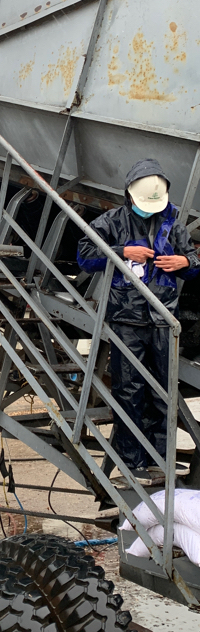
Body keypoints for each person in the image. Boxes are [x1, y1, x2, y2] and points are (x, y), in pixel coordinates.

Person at [77, 159, 200, 483]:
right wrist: (122, 252)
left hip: (163, 319)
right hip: (126, 319)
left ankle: (160, 462)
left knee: (163, 392)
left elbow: (195, 263)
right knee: (129, 391)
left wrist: (185, 261)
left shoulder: (174, 224)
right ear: (130, 195)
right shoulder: (111, 221)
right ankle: (133, 465)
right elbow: (85, 256)